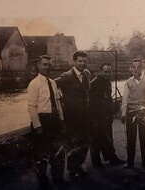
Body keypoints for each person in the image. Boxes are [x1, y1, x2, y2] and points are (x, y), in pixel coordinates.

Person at [27, 55, 66, 188]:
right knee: (41, 153)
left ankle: (58, 177)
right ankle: (43, 181)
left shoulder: (53, 83)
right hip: (42, 120)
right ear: (38, 65)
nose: (47, 67)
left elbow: (57, 102)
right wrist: (38, 126)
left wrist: (61, 120)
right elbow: (31, 107)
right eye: (44, 64)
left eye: (49, 65)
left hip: (54, 120)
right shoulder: (34, 84)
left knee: (58, 151)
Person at [55, 50, 90, 180]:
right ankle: (72, 170)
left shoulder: (87, 73)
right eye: (80, 61)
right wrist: (61, 99)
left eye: (85, 61)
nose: (82, 63)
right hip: (73, 118)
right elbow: (52, 85)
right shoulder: (67, 76)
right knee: (73, 144)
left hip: (85, 116)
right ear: (74, 61)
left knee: (84, 143)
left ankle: (79, 166)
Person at [121, 59, 145, 170]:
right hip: (131, 113)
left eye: (138, 67)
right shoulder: (128, 82)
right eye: (134, 67)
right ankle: (130, 162)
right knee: (131, 138)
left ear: (142, 68)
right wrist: (123, 113)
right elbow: (125, 99)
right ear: (131, 69)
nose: (136, 69)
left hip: (144, 112)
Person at [89, 62, 125, 167]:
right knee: (96, 140)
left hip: (106, 117)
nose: (107, 74)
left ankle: (112, 158)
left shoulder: (108, 83)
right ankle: (96, 162)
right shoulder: (93, 84)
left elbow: (107, 99)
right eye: (105, 72)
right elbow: (92, 103)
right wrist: (94, 119)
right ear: (100, 71)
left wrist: (113, 108)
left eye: (109, 72)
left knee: (109, 138)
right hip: (96, 118)